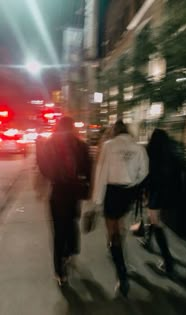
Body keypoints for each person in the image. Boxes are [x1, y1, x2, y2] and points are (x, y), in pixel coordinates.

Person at [92, 120, 149, 297]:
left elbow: (101, 171)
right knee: (121, 223)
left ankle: (121, 271)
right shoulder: (139, 148)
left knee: (112, 230)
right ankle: (117, 252)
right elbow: (144, 171)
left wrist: (97, 200)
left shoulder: (109, 146)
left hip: (112, 191)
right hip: (127, 192)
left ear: (114, 131)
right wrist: (133, 183)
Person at [38, 117, 92, 286]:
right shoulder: (81, 145)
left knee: (58, 230)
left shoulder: (50, 144)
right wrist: (86, 187)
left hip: (58, 191)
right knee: (71, 222)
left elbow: (43, 167)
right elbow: (88, 168)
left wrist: (53, 176)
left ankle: (59, 272)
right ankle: (69, 252)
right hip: (74, 192)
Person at [141, 128, 180, 274]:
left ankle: (168, 261)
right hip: (168, 195)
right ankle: (147, 240)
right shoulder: (171, 155)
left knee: (156, 223)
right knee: (153, 219)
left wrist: (144, 192)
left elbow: (147, 175)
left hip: (156, 194)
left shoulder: (150, 153)